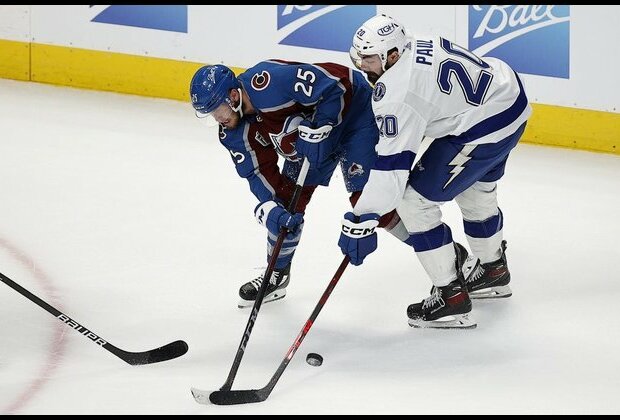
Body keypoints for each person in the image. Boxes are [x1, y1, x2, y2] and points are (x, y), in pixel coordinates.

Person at [336, 14, 531, 329]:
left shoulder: (397, 92)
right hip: (509, 100)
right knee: (476, 189)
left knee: (414, 203)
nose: (361, 63)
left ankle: (451, 298)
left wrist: (363, 218)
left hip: (484, 125)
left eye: (370, 58)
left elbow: (392, 172)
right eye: (359, 55)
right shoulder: (413, 42)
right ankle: (493, 270)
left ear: (393, 55)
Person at [189, 60, 407, 308]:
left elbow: (336, 86)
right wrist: (273, 208)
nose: (217, 119)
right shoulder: (232, 133)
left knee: (368, 204)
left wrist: (323, 123)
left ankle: (437, 254)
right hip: (310, 146)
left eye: (217, 110)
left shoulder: (270, 84)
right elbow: (257, 172)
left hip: (355, 117)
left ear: (233, 95)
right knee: (284, 206)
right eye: (209, 115)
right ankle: (276, 275)